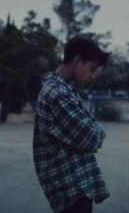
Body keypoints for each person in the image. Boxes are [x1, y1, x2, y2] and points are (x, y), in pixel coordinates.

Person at [33, 36, 111, 213]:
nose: (92, 76)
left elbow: (92, 127)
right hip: (70, 186)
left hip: (75, 183)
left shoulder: (65, 91)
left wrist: (96, 128)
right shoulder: (58, 94)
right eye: (91, 69)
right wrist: (98, 131)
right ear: (77, 60)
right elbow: (91, 137)